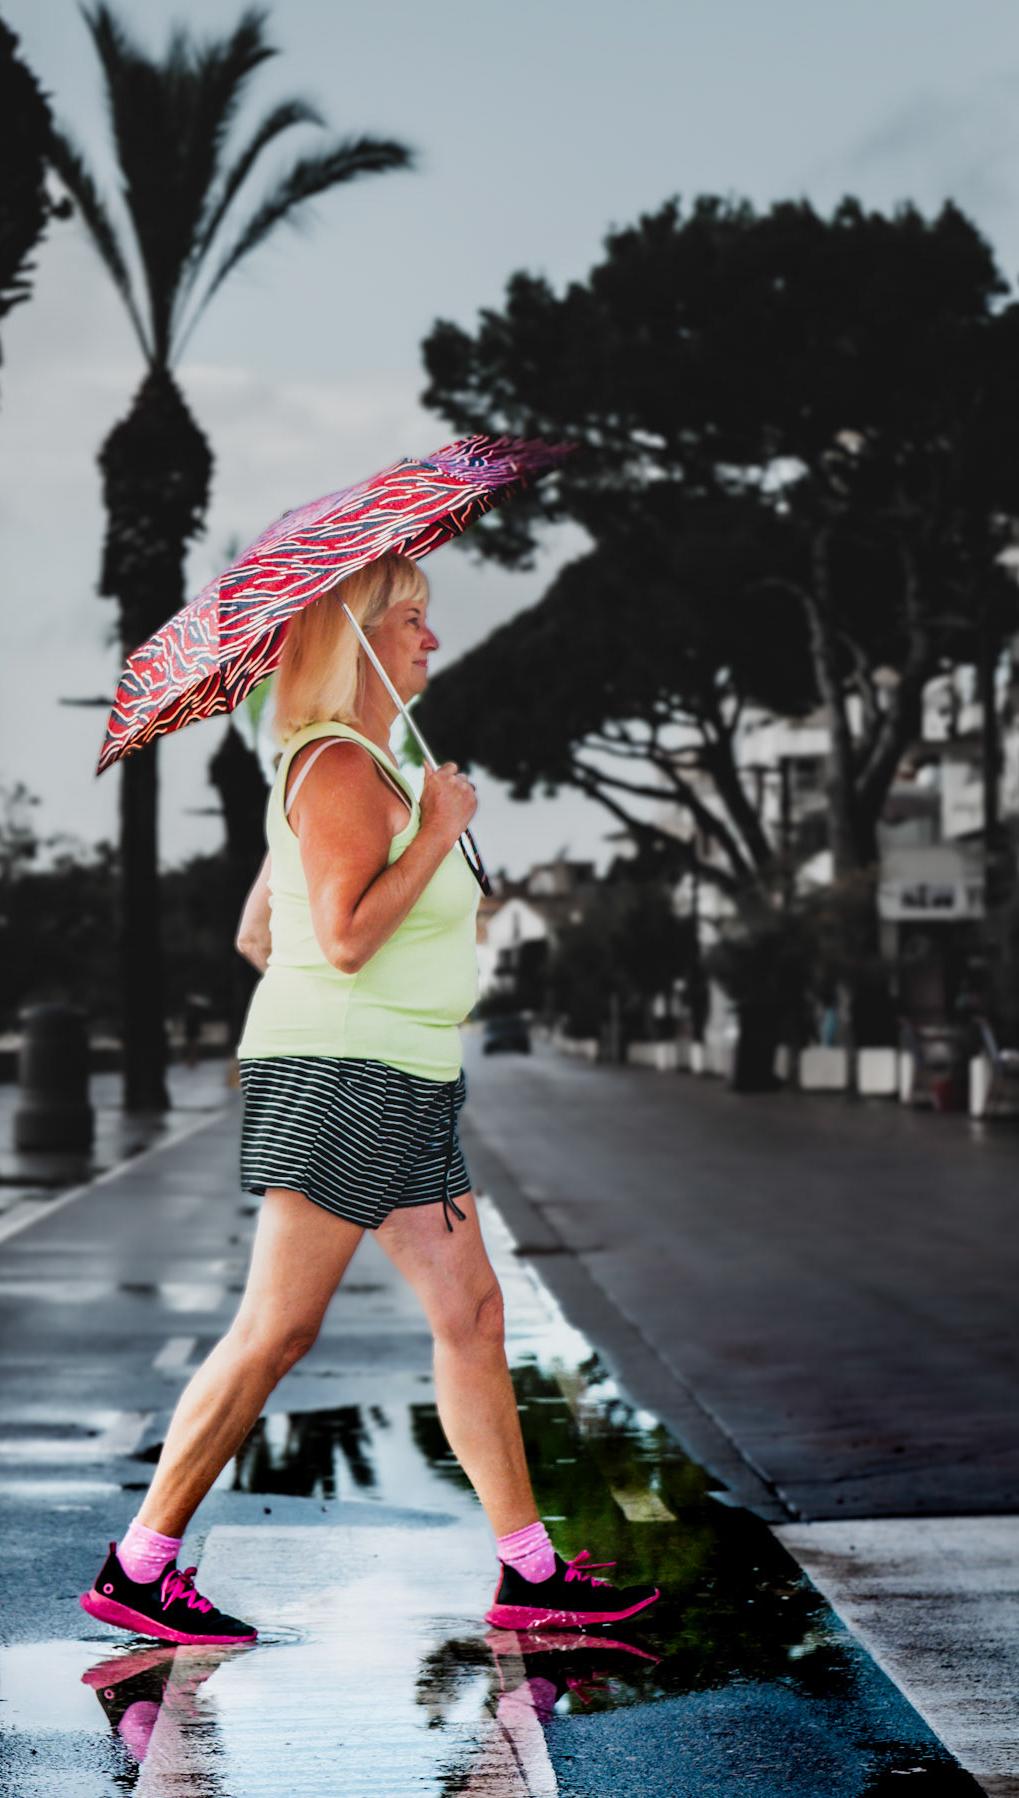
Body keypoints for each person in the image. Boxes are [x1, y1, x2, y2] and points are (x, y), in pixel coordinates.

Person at [81, 554, 658, 1646]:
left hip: (404, 1077)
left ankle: (530, 1572)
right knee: (278, 1328)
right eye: (410, 619)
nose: (430, 639)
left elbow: (263, 931)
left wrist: (419, 824)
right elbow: (341, 941)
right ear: (357, 639)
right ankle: (139, 1566)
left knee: (472, 1314)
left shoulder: (366, 766)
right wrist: (435, 831)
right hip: (350, 1079)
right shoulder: (342, 765)